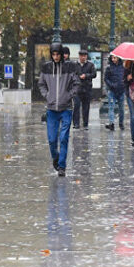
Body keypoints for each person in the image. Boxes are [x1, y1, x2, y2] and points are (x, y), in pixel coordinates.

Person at [38, 42, 80, 177]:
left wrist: (69, 95)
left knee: (63, 138)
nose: (55, 57)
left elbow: (76, 83)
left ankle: (62, 166)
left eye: (58, 54)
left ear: (62, 55)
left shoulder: (69, 67)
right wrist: (47, 95)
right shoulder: (46, 68)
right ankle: (55, 157)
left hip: (66, 108)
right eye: (53, 54)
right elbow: (41, 84)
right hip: (51, 109)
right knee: (51, 139)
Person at [73, 49, 96, 130]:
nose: (83, 57)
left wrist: (86, 75)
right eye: (81, 56)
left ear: (86, 56)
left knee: (86, 107)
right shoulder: (75, 65)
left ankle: (85, 124)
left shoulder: (90, 65)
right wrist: (77, 78)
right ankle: (76, 123)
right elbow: (72, 74)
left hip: (87, 88)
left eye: (84, 56)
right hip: (77, 89)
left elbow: (94, 74)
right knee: (76, 106)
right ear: (79, 56)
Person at [104, 54, 126, 131]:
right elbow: (106, 79)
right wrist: (111, 85)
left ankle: (121, 123)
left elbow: (125, 78)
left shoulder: (123, 68)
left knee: (121, 108)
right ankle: (111, 123)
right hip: (112, 90)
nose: (113, 59)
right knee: (111, 107)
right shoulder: (109, 68)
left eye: (115, 58)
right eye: (112, 58)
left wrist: (123, 84)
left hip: (121, 90)